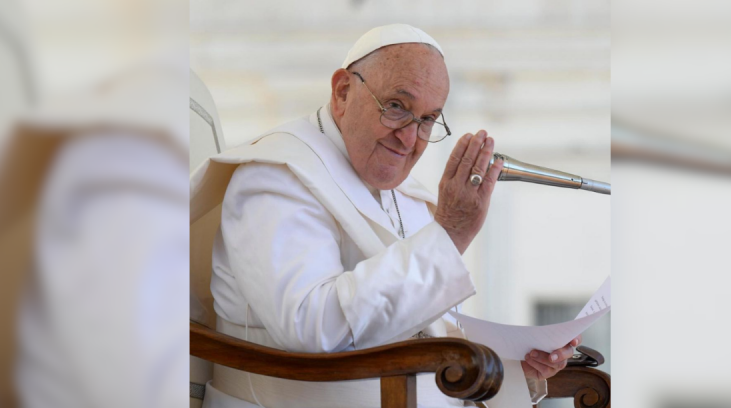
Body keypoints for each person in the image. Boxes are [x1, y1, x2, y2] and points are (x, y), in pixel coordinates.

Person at [191, 24, 579, 408]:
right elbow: (313, 328)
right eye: (397, 107)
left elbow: (423, 336)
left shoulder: (410, 199)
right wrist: (449, 236)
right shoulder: (275, 177)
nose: (410, 139)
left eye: (428, 120)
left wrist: (515, 364)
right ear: (343, 92)